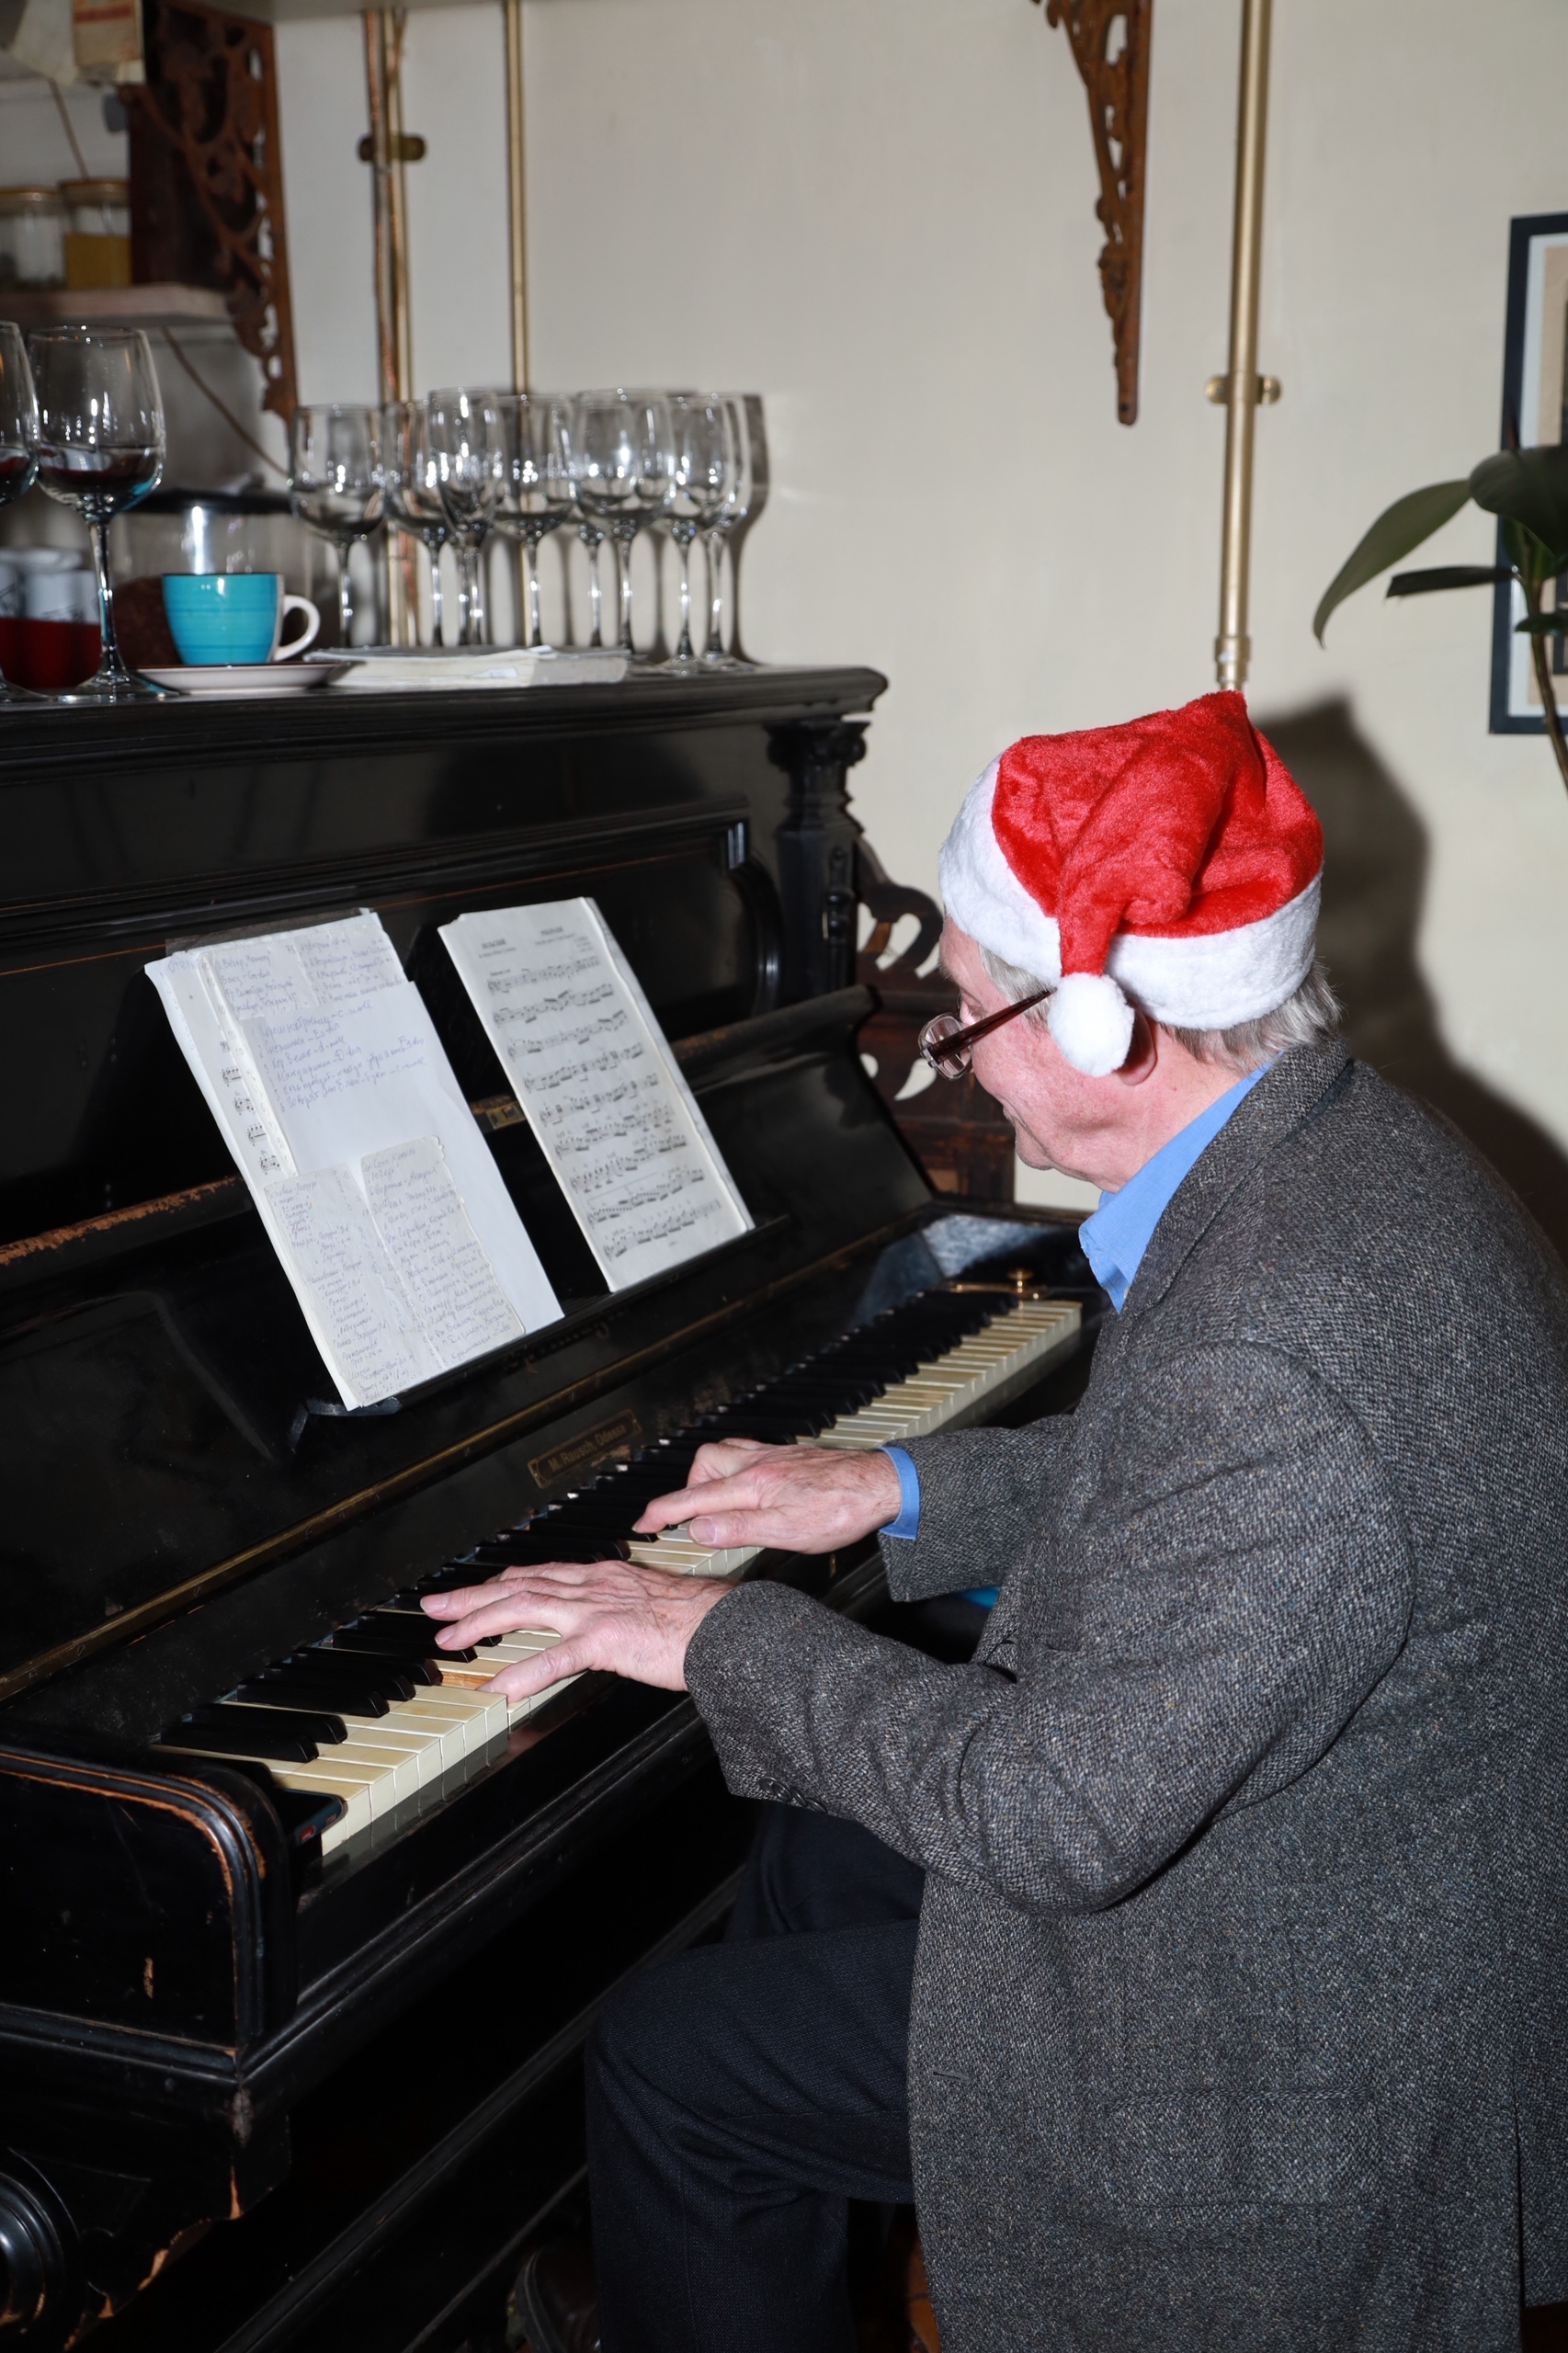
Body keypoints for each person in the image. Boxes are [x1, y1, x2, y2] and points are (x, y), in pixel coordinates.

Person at [426, 690, 1568, 2353]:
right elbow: (1213, 1502)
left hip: (1287, 2055)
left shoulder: (1282, 1342)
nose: (947, 1052)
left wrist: (710, 1630)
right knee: (815, 1851)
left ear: (1107, 1028)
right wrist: (894, 1485)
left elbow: (1051, 1818)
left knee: (673, 2062)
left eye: (965, 1015)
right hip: (1337, 1884)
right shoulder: (1334, 1158)